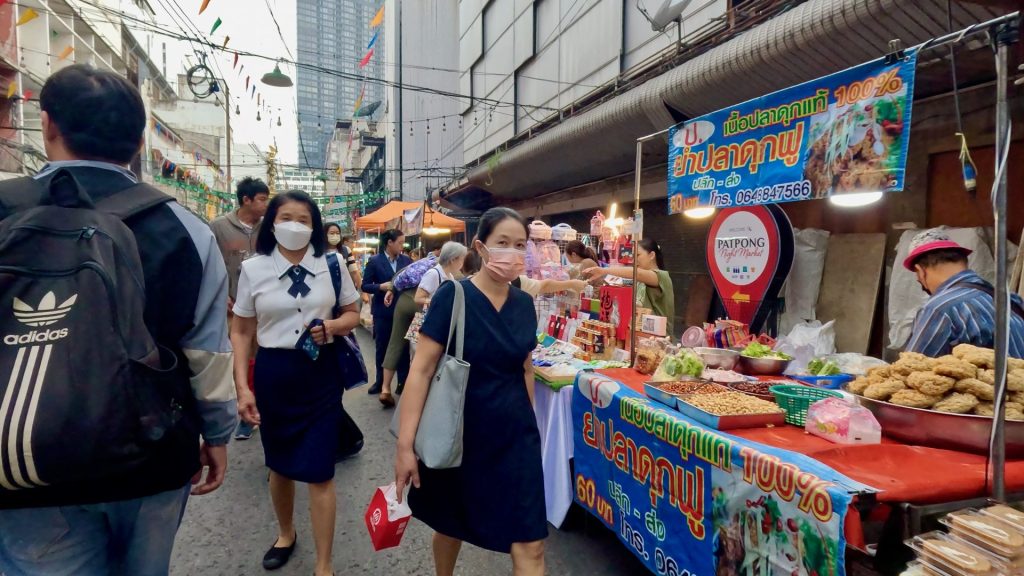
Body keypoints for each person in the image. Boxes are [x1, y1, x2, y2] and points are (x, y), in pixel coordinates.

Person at [0, 64, 235, 575]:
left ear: (48, 126)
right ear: (139, 139)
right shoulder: (187, 230)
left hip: (25, 459)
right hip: (151, 452)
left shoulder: (4, 210)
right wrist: (217, 435)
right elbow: (208, 355)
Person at [395, 207, 546, 576]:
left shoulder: (525, 305)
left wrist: (530, 427)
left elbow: (525, 367)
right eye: (503, 243)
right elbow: (422, 370)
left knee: (531, 541)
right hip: (460, 433)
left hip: (514, 438)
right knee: (450, 524)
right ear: (481, 246)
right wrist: (405, 445)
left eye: (520, 245)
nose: (512, 252)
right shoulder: (453, 297)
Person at [230, 190, 360, 576]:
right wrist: (242, 387)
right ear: (271, 222)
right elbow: (241, 331)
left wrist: (334, 326)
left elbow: (353, 312)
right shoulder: (254, 269)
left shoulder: (332, 263)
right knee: (280, 465)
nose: (295, 225)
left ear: (315, 226)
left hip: (319, 374)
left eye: (304, 219)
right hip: (275, 374)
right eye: (287, 217)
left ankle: (324, 564)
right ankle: (285, 533)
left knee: (321, 470)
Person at [210, 176, 270, 441]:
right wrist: (221, 296)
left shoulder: (269, 228)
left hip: (265, 307)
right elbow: (209, 266)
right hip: (233, 308)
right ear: (246, 199)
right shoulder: (218, 228)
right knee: (241, 358)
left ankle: (265, 408)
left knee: (266, 358)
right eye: (262, 199)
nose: (266, 204)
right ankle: (246, 412)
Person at [903, 229, 1024, 357]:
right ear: (963, 261)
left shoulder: (939, 309)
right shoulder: (1011, 300)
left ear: (920, 271)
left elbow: (910, 367)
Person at [378, 241, 468, 406]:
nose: (463, 263)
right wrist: (436, 300)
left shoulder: (450, 275)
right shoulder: (434, 273)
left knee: (415, 354)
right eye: (462, 259)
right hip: (421, 318)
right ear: (454, 259)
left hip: (427, 318)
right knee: (419, 359)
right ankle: (410, 397)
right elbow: (419, 298)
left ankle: (399, 390)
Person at [584, 237, 675, 335]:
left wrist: (604, 270)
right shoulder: (639, 280)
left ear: (652, 255)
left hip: (658, 338)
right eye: (633, 256)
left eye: (638, 255)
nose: (634, 260)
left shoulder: (661, 276)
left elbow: (635, 273)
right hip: (639, 334)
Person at [362, 229, 413, 395]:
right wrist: (380, 287)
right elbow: (365, 285)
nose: (402, 245)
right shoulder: (374, 261)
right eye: (400, 242)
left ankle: (403, 382)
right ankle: (380, 382)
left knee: (403, 348)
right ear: (389, 243)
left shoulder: (407, 261)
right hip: (382, 312)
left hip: (404, 312)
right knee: (382, 347)